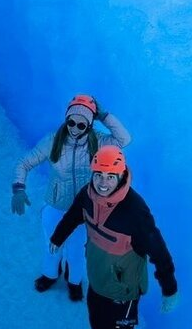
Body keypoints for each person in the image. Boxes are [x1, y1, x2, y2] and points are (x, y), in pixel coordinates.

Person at [49, 145, 179, 329]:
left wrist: (169, 290)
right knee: (97, 318)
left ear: (121, 175)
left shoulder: (135, 211)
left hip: (124, 288)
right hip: (99, 276)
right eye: (98, 175)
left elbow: (159, 252)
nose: (103, 182)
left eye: (111, 177)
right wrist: (58, 237)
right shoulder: (87, 195)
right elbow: (73, 215)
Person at [12, 95, 131, 302]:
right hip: (56, 207)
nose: (75, 128)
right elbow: (24, 163)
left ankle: (74, 281)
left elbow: (124, 140)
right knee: (52, 245)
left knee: (77, 252)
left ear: (90, 124)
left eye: (82, 124)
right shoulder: (52, 141)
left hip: (84, 211)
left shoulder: (100, 142)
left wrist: (103, 115)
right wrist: (19, 188)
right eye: (71, 122)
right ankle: (50, 275)